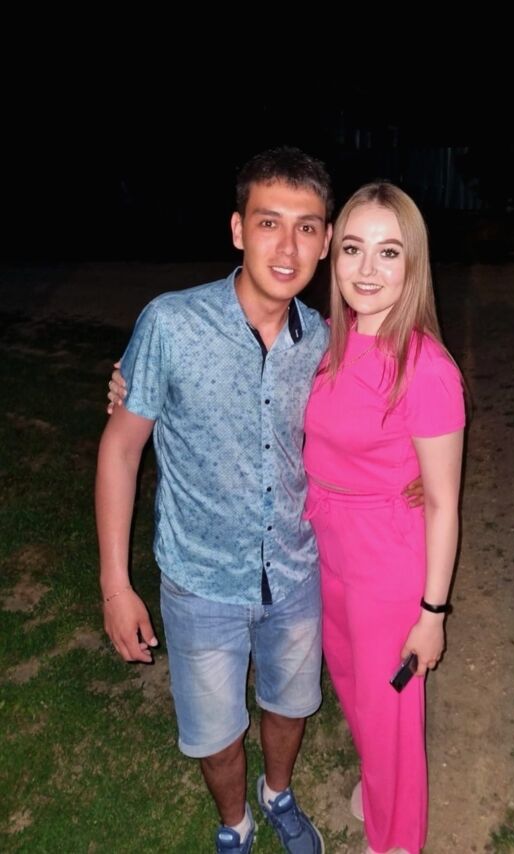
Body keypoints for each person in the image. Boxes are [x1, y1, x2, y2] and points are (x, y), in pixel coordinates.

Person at [96, 146, 335, 854]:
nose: (287, 247)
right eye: (269, 223)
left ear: (325, 241)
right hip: (200, 578)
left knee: (291, 705)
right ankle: (235, 824)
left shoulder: (323, 342)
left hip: (294, 571)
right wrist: (116, 585)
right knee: (214, 732)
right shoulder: (171, 324)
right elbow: (120, 450)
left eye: (306, 227)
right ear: (237, 229)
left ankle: (278, 793)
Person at [302, 182, 465, 853]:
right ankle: (379, 785)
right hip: (327, 546)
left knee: (390, 707)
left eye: (389, 252)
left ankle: (394, 839)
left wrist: (432, 614)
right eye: (353, 249)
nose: (367, 269)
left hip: (386, 562)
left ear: (412, 264)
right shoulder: (325, 342)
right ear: (333, 255)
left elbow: (445, 503)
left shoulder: (427, 369)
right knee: (351, 685)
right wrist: (133, 379)